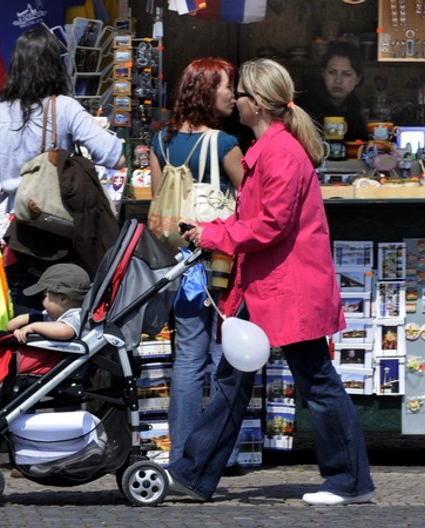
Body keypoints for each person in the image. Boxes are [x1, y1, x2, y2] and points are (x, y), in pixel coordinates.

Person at [170, 58, 375, 506]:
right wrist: (217, 228)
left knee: (316, 381)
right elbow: (262, 221)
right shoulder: (271, 150)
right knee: (234, 377)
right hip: (270, 284)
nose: (236, 100)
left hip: (286, 286)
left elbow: (270, 226)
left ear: (258, 105)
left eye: (241, 94)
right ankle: (192, 473)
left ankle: (349, 481)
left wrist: (213, 233)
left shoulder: (280, 153)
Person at [0, 27, 125, 314]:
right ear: (53, 67)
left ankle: (28, 360)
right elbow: (114, 155)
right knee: (68, 318)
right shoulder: (65, 108)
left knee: (24, 319)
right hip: (63, 233)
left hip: (19, 233)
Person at [147, 57, 244, 465]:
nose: (234, 97)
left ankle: (183, 453)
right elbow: (250, 201)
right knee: (225, 355)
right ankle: (222, 452)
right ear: (207, 92)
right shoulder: (224, 144)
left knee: (187, 359)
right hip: (220, 258)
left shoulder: (159, 142)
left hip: (180, 262)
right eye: (227, 87)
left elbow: (157, 202)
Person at [295, 41, 368, 142]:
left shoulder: (354, 107)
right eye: (331, 73)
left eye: (346, 74)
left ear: (358, 79)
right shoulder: (304, 105)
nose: (338, 80)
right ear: (323, 74)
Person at [6, 263, 90, 342]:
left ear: (63, 299)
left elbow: (64, 331)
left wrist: (33, 327)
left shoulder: (76, 315)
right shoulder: (54, 314)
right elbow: (10, 326)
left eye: (43, 297)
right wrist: (21, 322)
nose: (41, 301)